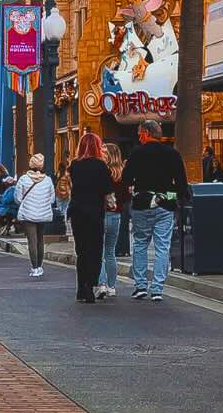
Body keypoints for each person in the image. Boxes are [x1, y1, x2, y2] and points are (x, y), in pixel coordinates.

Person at [123, 121, 186, 302]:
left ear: (146, 133)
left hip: (142, 204)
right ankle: (157, 288)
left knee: (140, 243)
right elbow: (181, 183)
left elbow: (127, 179)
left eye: (140, 133)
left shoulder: (137, 153)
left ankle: (141, 285)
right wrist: (169, 198)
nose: (139, 136)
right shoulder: (172, 154)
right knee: (162, 246)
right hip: (165, 206)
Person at [68, 133, 111, 303]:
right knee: (95, 249)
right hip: (94, 211)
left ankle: (81, 287)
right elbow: (106, 189)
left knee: (81, 250)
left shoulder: (75, 165)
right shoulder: (100, 166)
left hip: (77, 210)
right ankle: (90, 285)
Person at [15, 153, 55, 277]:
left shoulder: (23, 179)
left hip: (28, 213)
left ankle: (34, 268)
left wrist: (26, 203)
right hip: (43, 214)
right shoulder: (48, 180)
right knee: (40, 240)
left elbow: (17, 198)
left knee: (32, 241)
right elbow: (52, 199)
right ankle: (40, 266)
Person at [97, 142, 128, 299]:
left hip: (101, 214)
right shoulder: (122, 173)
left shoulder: (102, 172)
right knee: (110, 252)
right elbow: (126, 196)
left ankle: (101, 284)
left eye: (103, 152)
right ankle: (112, 286)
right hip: (116, 215)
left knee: (100, 252)